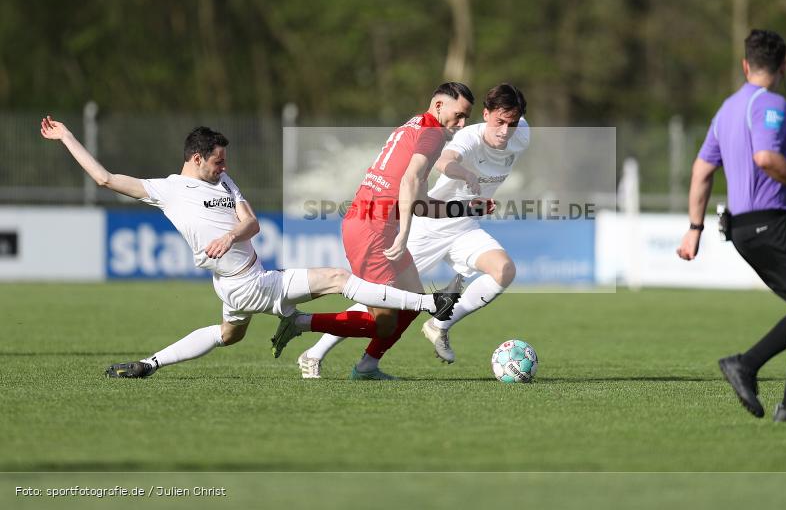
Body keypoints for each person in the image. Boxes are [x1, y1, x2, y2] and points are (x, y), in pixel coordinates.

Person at [40, 118, 459, 378]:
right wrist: (68, 138)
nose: (225, 167)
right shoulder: (167, 190)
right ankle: (427, 303)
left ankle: (150, 364)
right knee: (339, 279)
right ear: (197, 158)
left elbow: (252, 222)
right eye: (218, 161)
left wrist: (231, 235)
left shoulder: (223, 181)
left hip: (238, 284)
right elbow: (105, 179)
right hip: (248, 283)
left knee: (229, 335)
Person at [298, 83, 529, 377]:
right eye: (458, 116)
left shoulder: (419, 126)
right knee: (383, 313)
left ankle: (373, 362)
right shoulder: (437, 136)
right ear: (438, 106)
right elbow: (415, 181)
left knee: (414, 302)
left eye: (464, 119)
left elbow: (420, 201)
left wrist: (469, 208)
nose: (460, 125)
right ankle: (305, 332)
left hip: (431, 225)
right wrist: (404, 233)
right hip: (389, 229)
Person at [676, 29, 786, 422]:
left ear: (745, 64)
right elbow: (766, 157)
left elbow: (702, 169)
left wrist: (694, 227)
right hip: (769, 224)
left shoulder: (726, 110)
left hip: (741, 229)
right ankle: (746, 365)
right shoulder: (771, 104)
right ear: (784, 66)